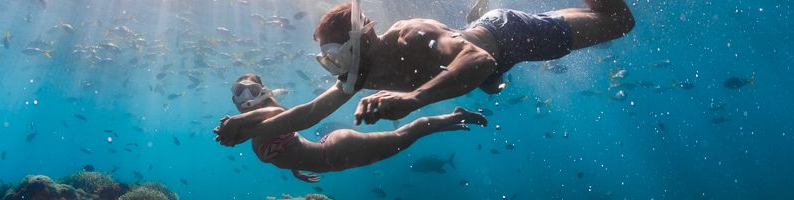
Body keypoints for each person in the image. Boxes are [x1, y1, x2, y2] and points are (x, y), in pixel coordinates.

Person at [216, 0, 634, 146]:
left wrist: (412, 101)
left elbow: (479, 61)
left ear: (362, 40)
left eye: (338, 57)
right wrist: (250, 125)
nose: (340, 70)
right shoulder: (358, 73)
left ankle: (484, 15)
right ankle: (477, 13)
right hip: (482, 57)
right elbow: (307, 114)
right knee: (488, 86)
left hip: (508, 37)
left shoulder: (411, 35)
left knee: (617, 21)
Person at [217, 74, 487, 182]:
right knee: (403, 137)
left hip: (335, 152)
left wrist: (239, 120)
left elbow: (278, 113)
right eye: (238, 93)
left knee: (405, 135)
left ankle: (454, 116)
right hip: (329, 151)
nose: (244, 97)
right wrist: (295, 169)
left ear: (263, 93)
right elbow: (288, 146)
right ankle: (451, 119)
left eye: (250, 90)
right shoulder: (258, 127)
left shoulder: (270, 117)